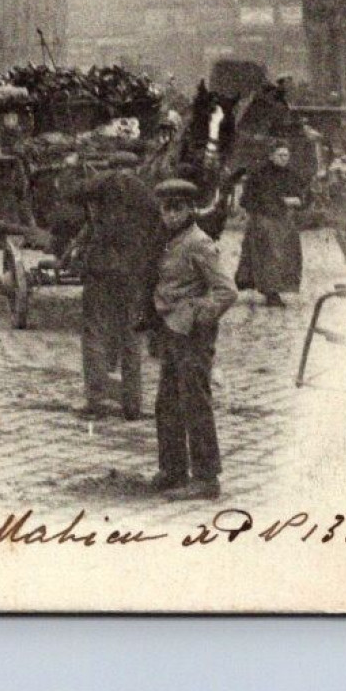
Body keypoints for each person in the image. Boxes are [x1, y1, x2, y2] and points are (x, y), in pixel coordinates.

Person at [145, 178, 239, 501]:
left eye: (177, 209)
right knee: (167, 402)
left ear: (189, 210)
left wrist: (198, 315)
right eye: (165, 209)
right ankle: (172, 470)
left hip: (193, 337)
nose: (170, 215)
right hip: (172, 332)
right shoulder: (170, 240)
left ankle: (206, 477)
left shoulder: (199, 242)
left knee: (195, 403)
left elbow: (227, 290)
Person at [55, 166, 162, 420]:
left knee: (95, 332)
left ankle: (96, 399)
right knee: (131, 336)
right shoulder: (145, 192)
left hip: (101, 270)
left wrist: (73, 168)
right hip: (134, 272)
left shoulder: (103, 183)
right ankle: (132, 404)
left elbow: (70, 193)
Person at [234, 143, 307, 306]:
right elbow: (252, 198)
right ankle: (271, 292)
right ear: (271, 156)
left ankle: (277, 288)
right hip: (264, 218)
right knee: (270, 254)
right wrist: (282, 201)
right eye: (280, 155)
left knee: (287, 254)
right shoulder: (260, 174)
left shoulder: (291, 174)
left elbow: (302, 193)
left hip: (285, 221)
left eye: (286, 155)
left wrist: (299, 200)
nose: (284, 158)